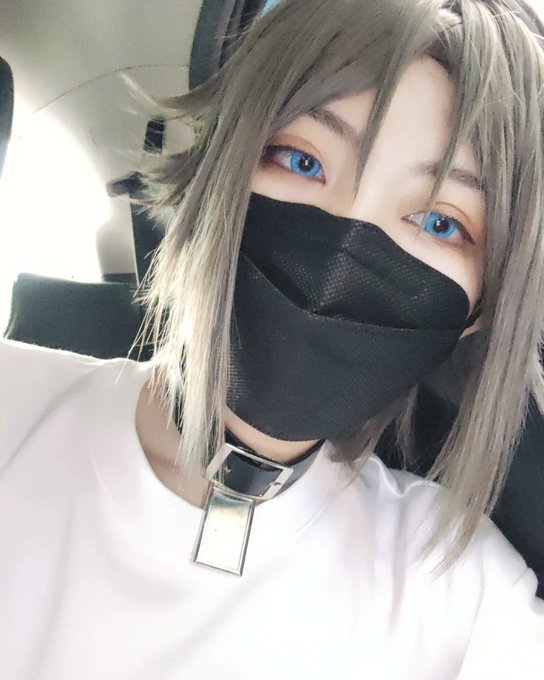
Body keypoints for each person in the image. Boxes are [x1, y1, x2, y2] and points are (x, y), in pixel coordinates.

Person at [1, 0, 544, 677]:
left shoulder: (464, 602)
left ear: (481, 309)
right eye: (301, 159)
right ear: (216, 170)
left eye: (440, 222)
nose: (342, 249)